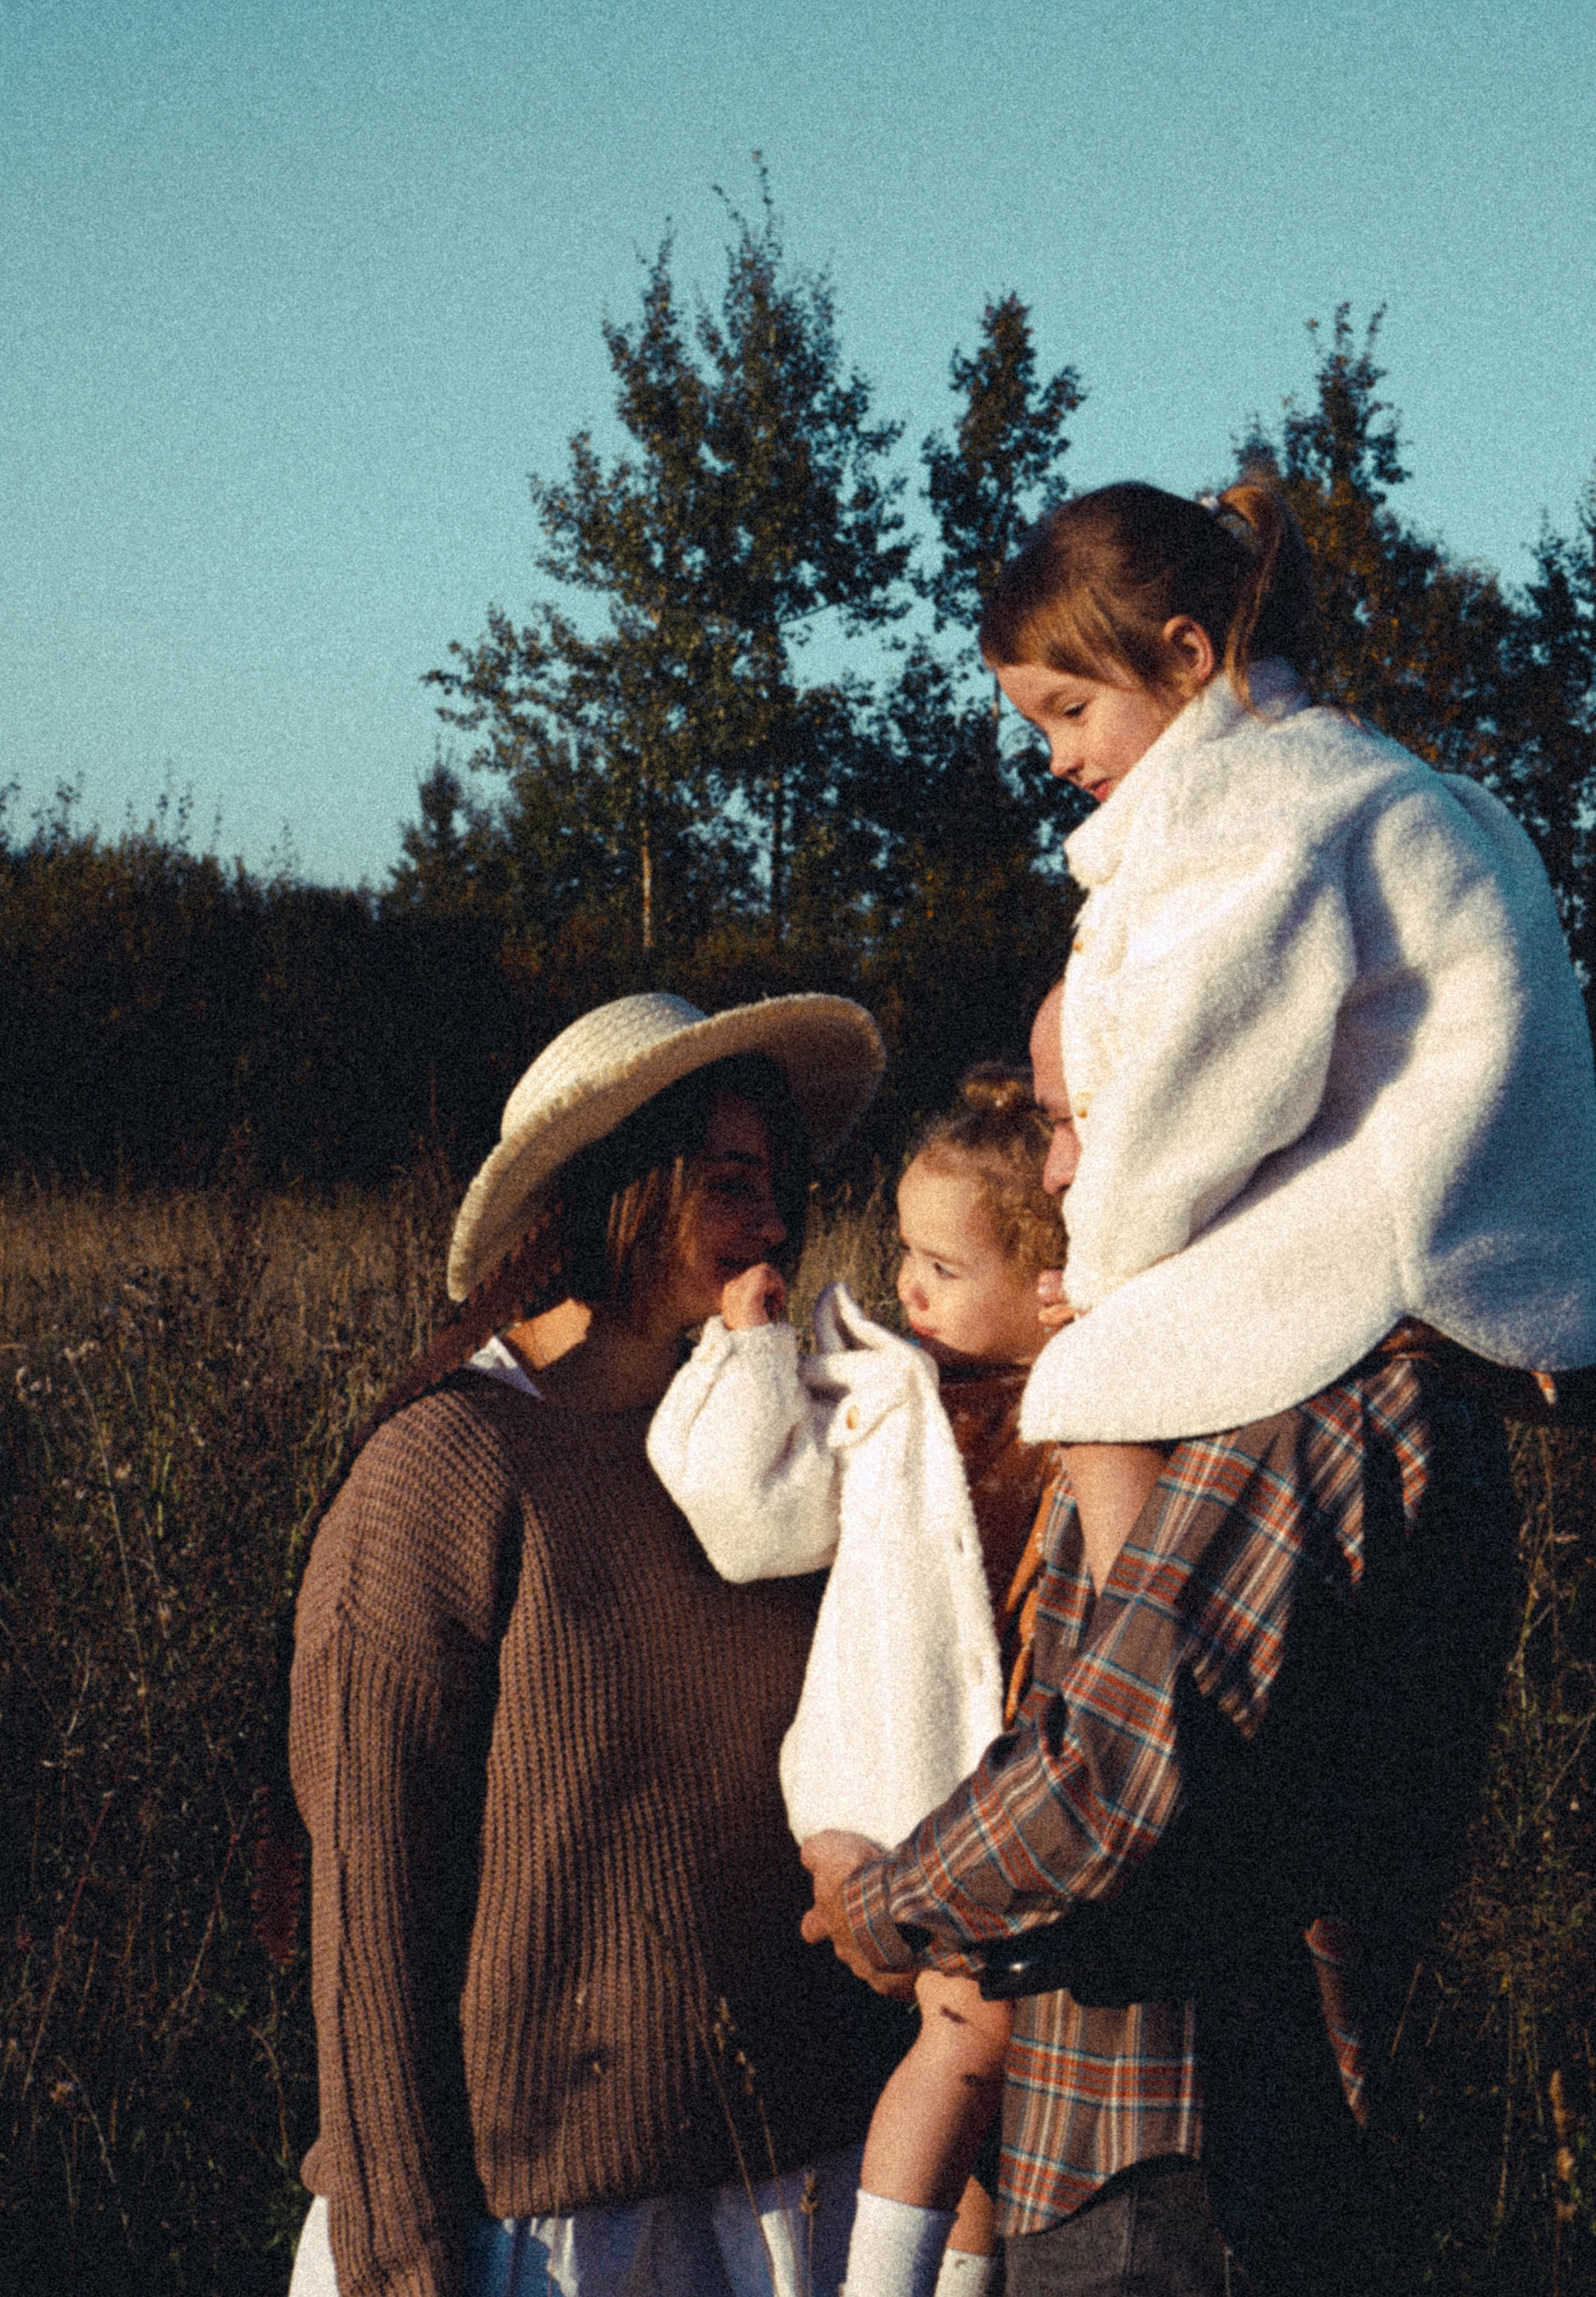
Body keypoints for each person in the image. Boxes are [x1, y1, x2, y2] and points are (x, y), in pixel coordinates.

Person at [800, 478, 1596, 2296]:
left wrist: (886, 1901)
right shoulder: (1319, 1378)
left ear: (1183, 659)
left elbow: (1114, 1761)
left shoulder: (1314, 1403)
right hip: (1165, 2146)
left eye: (1078, 1125)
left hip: (1187, 2157)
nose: (1071, 1170)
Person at [285, 989, 906, 2297]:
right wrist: (397, 2257)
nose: (776, 1222)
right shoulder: (446, 1469)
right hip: (547, 2227)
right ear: (620, 1185)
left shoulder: (775, 1451)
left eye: (779, 1181)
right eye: (730, 1182)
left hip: (790, 2191)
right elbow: (368, 1904)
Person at [648, 1069, 1070, 2297]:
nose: (906, 1287)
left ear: (1045, 1285)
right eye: (902, 1251)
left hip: (1026, 1795)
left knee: (1015, 2068)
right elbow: (748, 1513)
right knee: (968, 2033)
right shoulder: (883, 1380)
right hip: (897, 1775)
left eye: (943, 1266)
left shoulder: (1090, 1393)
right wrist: (755, 1344)